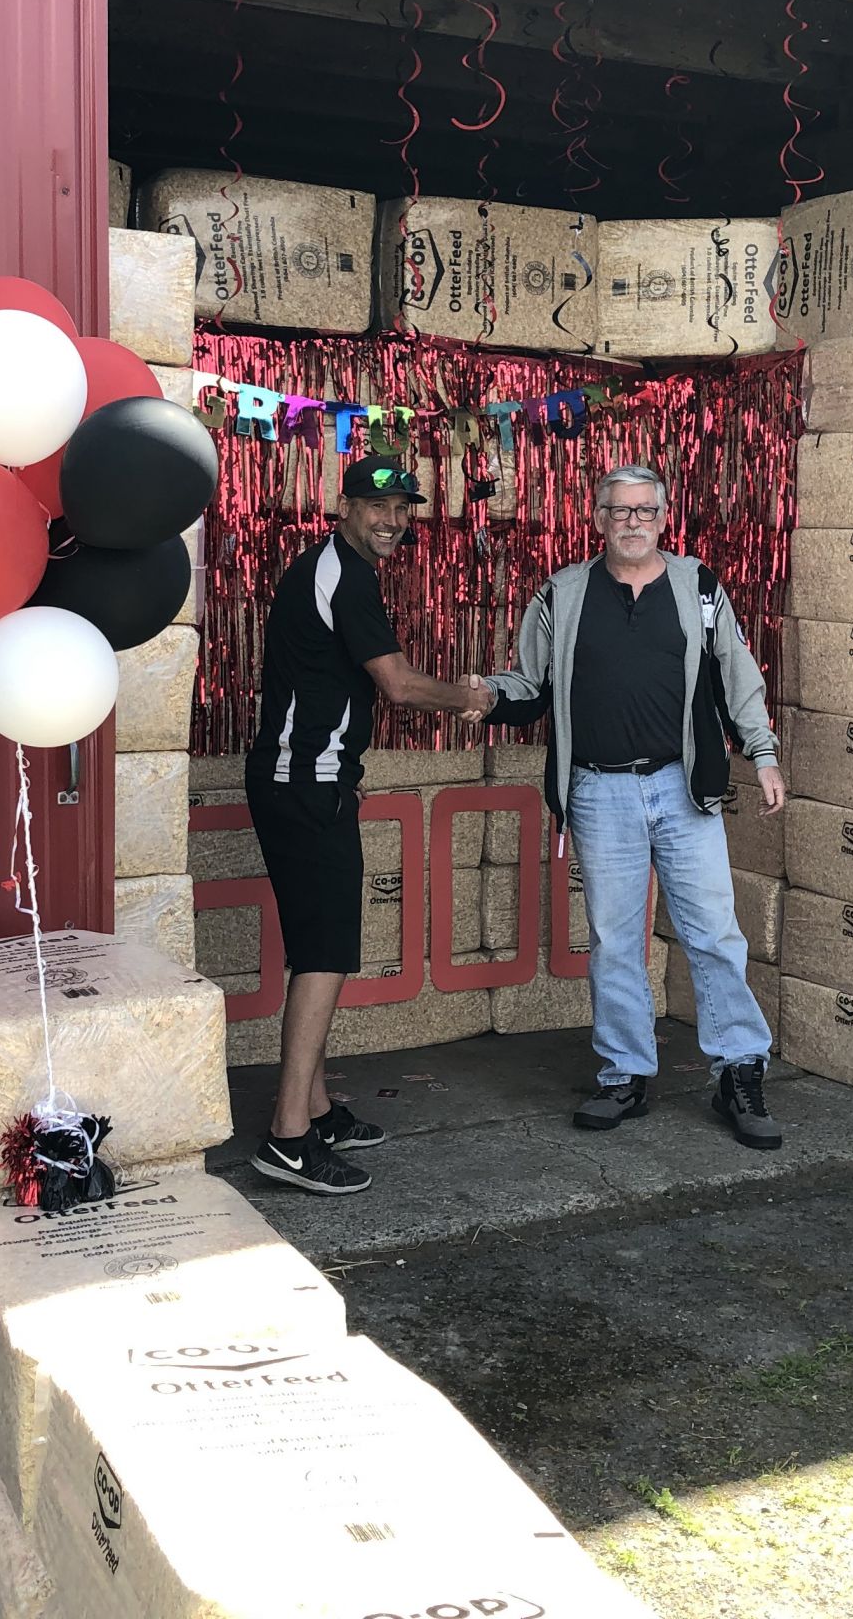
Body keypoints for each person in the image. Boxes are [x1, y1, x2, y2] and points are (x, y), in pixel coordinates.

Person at [470, 464, 789, 1149]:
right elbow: (529, 681)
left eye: (645, 510)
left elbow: (737, 674)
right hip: (598, 787)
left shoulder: (698, 586)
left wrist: (761, 753)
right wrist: (484, 694)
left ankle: (738, 1071)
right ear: (599, 518)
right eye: (619, 510)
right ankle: (625, 1073)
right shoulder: (562, 593)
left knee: (712, 933)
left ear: (664, 517)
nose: (633, 521)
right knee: (616, 939)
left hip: (682, 786)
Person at [246, 454, 494, 1196]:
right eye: (377, 507)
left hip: (305, 784)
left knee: (315, 952)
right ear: (345, 506)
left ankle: (315, 1112)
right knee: (324, 955)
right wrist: (469, 699)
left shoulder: (332, 569)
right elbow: (397, 684)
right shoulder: (344, 578)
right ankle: (288, 1139)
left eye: (403, 510)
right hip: (306, 786)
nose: (392, 522)